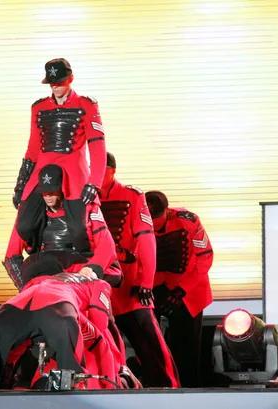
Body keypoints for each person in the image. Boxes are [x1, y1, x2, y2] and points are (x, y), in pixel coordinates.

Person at [0, 255, 124, 390]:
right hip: (54, 301)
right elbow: (100, 321)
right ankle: (72, 382)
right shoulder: (96, 284)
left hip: (31, 298)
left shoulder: (70, 279)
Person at [9, 58, 107, 263]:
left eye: (60, 81)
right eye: (52, 82)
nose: (55, 86)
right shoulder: (38, 107)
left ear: (70, 78)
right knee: (24, 225)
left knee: (79, 229)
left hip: (74, 172)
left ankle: (88, 270)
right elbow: (33, 148)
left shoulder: (87, 105)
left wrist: (94, 183)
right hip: (42, 170)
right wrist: (21, 185)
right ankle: (38, 256)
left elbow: (97, 147)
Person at [99, 153, 180, 388]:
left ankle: (170, 388)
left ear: (112, 171)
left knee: (150, 342)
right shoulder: (83, 197)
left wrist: (146, 282)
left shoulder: (133, 196)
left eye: (100, 168)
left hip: (131, 285)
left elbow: (146, 240)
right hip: (99, 286)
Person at [4, 163, 121, 290]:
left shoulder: (84, 208)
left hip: (80, 268)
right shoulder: (30, 214)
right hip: (47, 270)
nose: (47, 195)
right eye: (44, 192)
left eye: (52, 191)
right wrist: (26, 287)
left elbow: (106, 246)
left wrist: (91, 269)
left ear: (62, 188)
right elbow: (11, 256)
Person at [145, 190, 214, 388]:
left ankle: (191, 392)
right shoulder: (137, 221)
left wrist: (182, 290)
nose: (155, 223)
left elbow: (206, 256)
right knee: (151, 345)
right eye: (151, 218)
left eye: (157, 217)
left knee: (188, 348)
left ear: (167, 211)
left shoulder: (188, 221)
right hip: (154, 287)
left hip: (189, 288)